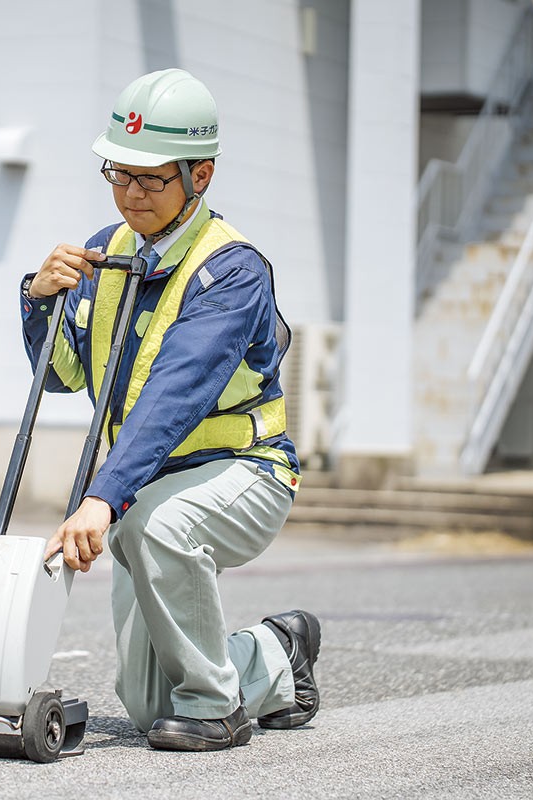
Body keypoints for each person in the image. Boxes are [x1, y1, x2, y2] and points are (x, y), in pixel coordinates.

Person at [19, 68, 320, 752]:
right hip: (147, 484)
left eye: (150, 179)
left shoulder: (231, 272)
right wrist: (40, 300)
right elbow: (63, 377)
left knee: (151, 525)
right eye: (118, 173)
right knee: (149, 700)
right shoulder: (108, 250)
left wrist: (103, 498)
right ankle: (278, 653)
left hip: (246, 472)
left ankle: (219, 708)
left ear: (201, 176)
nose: (130, 193)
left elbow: (174, 394)